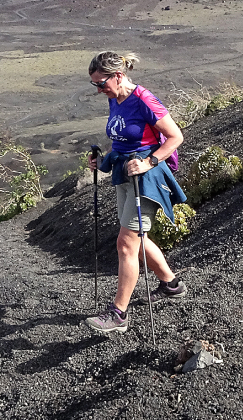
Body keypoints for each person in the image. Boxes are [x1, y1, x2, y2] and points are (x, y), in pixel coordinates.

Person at [84, 51, 188, 334]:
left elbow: (176, 136)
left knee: (126, 244)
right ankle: (171, 284)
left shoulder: (144, 99)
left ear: (118, 76)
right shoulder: (114, 98)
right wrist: (102, 161)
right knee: (137, 238)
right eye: (95, 84)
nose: (99, 90)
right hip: (125, 175)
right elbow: (122, 138)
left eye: (101, 83)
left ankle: (118, 314)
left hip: (147, 179)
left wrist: (149, 162)